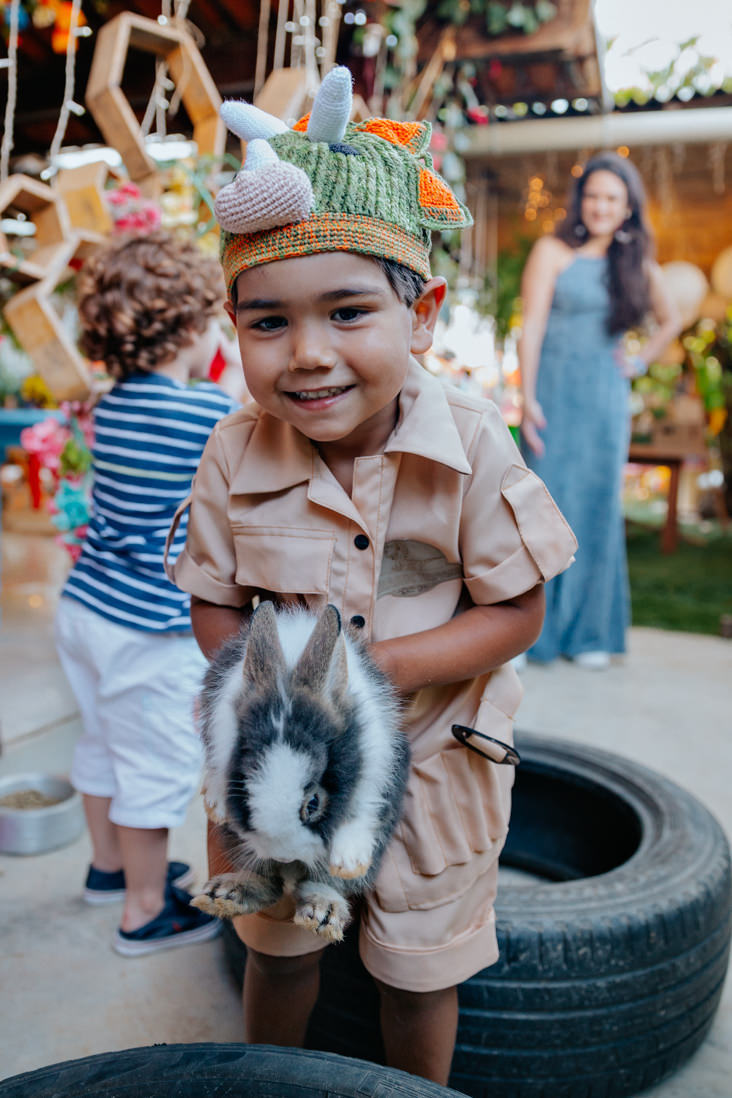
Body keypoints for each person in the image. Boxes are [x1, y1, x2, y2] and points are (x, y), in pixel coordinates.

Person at [167, 67, 577, 1085]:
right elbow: (215, 600)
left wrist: (372, 673)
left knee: (417, 969)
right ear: (235, 328)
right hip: (278, 768)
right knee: (279, 949)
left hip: (436, 760)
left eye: (348, 312)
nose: (307, 355)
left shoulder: (475, 445)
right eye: (268, 322)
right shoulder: (231, 453)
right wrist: (268, 697)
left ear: (423, 311)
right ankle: (269, 1079)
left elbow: (517, 607)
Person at [55, 231, 239, 956]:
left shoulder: (109, 406)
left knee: (102, 743)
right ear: (192, 329)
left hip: (86, 608)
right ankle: (143, 911)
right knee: (154, 765)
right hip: (148, 627)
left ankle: (108, 868)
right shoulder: (204, 415)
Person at [518, 152, 680, 669]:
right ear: (580, 202)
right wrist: (527, 397)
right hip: (554, 395)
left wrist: (636, 362)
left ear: (628, 206)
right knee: (541, 505)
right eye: (592, 196)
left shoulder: (635, 264)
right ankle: (525, 633)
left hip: (605, 402)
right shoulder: (553, 251)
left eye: (612, 197)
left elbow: (671, 320)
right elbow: (534, 327)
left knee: (595, 508)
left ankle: (589, 635)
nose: (601, 206)